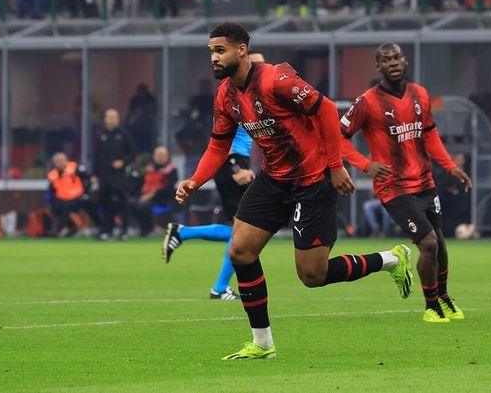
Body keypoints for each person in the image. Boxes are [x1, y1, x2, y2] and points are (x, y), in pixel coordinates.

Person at [171, 23, 413, 360]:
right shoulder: (226, 95)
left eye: (220, 50)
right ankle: (262, 343)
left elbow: (327, 110)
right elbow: (217, 146)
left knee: (312, 275)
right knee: (240, 251)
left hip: (314, 180)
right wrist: (195, 181)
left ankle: (390, 259)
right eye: (211, 51)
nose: (213, 57)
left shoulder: (276, 80)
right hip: (274, 179)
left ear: (241, 50)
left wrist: (335, 166)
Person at [340, 42, 473, 323]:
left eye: (397, 57)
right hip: (395, 188)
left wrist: (450, 167)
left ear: (405, 60)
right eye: (386, 59)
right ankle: (430, 306)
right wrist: (365, 164)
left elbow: (430, 134)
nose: (393, 62)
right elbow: (337, 138)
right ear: (379, 66)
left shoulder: (420, 94)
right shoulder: (367, 102)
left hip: (425, 182)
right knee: (427, 242)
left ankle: (445, 297)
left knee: (439, 241)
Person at [163, 50, 266, 301]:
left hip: (234, 162)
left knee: (239, 230)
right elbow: (225, 137)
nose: (265, 69)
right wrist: (236, 168)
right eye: (260, 64)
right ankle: (218, 287)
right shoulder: (236, 95)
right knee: (244, 233)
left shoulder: (251, 95)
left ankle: (183, 234)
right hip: (232, 162)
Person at [93, 108, 136, 240]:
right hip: (105, 176)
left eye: (114, 117)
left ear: (118, 119)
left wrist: (123, 162)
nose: (112, 120)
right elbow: (96, 156)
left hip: (120, 176)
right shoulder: (100, 135)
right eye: (109, 117)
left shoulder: (124, 135)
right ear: (105, 119)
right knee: (105, 204)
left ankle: (123, 231)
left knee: (122, 203)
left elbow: (132, 154)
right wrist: (95, 174)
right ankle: (106, 231)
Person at [47, 152, 98, 237]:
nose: (60, 163)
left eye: (61, 160)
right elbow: (51, 191)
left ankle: (98, 227)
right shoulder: (52, 174)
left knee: (90, 205)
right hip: (62, 199)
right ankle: (66, 229)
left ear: (66, 160)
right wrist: (50, 200)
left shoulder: (75, 167)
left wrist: (87, 192)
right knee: (56, 207)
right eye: (57, 161)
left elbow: (88, 179)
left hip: (78, 196)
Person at [130, 145, 178, 236]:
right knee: (130, 203)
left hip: (161, 199)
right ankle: (142, 226)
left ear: (167, 156)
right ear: (154, 156)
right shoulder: (149, 168)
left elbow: (169, 188)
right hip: (145, 196)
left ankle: (147, 228)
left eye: (162, 155)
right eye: (158, 155)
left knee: (143, 205)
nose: (160, 158)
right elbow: (141, 183)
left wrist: (153, 194)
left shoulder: (171, 169)